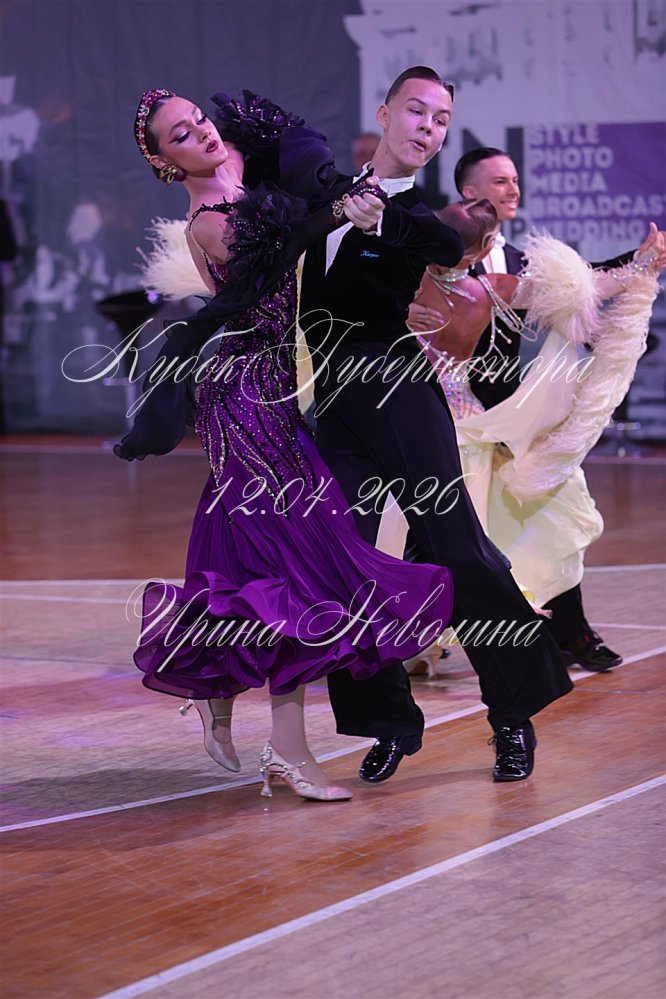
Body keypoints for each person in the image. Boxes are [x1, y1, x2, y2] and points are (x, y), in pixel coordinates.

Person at [115, 88, 455, 803]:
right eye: (182, 135)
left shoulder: (241, 162)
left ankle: (221, 693)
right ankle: (287, 749)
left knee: (260, 559)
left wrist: (343, 195)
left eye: (200, 119)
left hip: (274, 389)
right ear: (166, 162)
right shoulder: (211, 222)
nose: (203, 134)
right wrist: (337, 210)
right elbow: (282, 253)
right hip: (244, 398)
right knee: (299, 565)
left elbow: (297, 149)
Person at [294, 66, 573, 786]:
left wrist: (381, 223)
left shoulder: (423, 216)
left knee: (457, 550)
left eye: (441, 119)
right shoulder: (327, 194)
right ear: (385, 114)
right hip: (338, 407)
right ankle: (388, 720)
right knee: (341, 560)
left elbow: (443, 245)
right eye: (417, 111)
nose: (428, 127)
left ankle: (512, 714)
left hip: (401, 398)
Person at [413, 146, 664, 672]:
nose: (512, 189)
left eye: (515, 179)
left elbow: (584, 282)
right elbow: (586, 286)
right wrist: (640, 266)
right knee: (445, 533)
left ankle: (569, 633)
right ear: (470, 195)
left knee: (548, 509)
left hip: (509, 419)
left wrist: (639, 262)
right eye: (499, 181)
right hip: (456, 421)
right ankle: (418, 639)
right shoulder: (458, 279)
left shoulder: (508, 269)